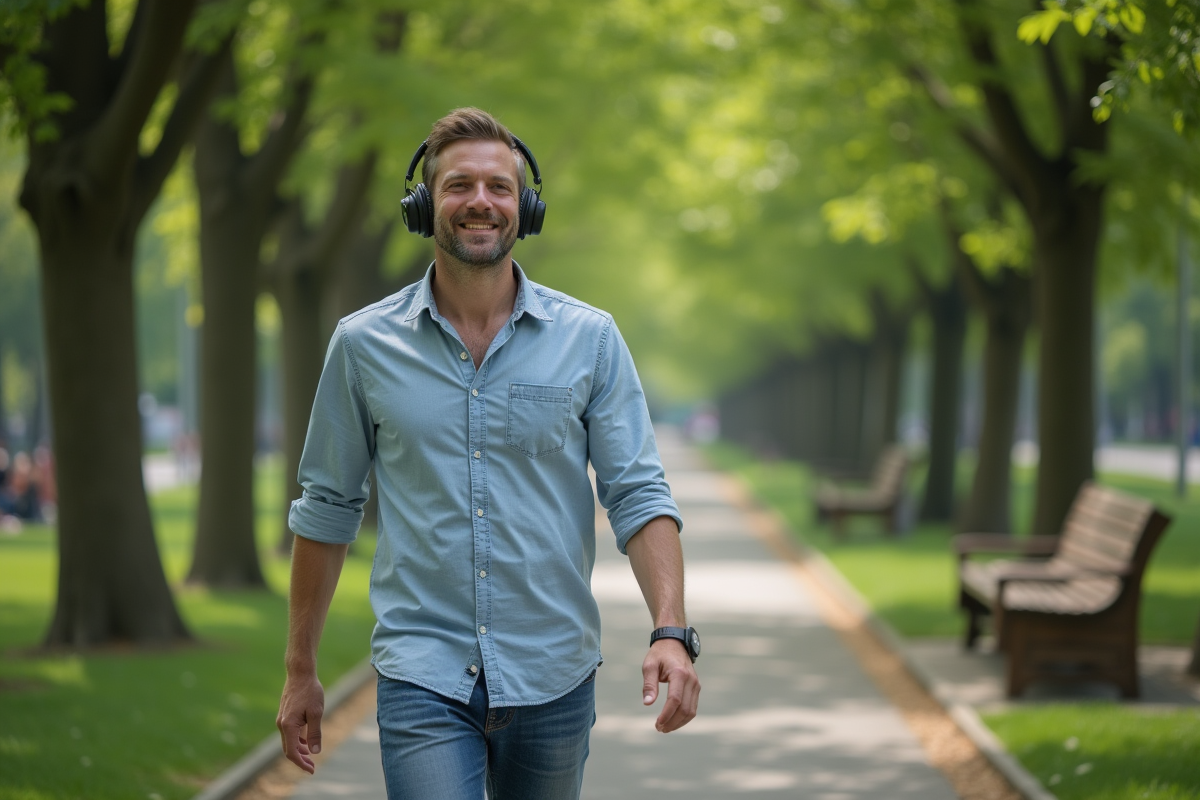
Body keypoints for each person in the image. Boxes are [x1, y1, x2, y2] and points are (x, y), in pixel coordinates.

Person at [276, 108, 700, 800]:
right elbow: (326, 508)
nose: (481, 202)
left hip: (554, 672)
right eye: (459, 185)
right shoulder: (362, 346)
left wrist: (671, 632)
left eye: (500, 187)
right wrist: (301, 669)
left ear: (524, 207)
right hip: (423, 672)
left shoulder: (590, 339)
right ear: (424, 204)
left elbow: (639, 494)